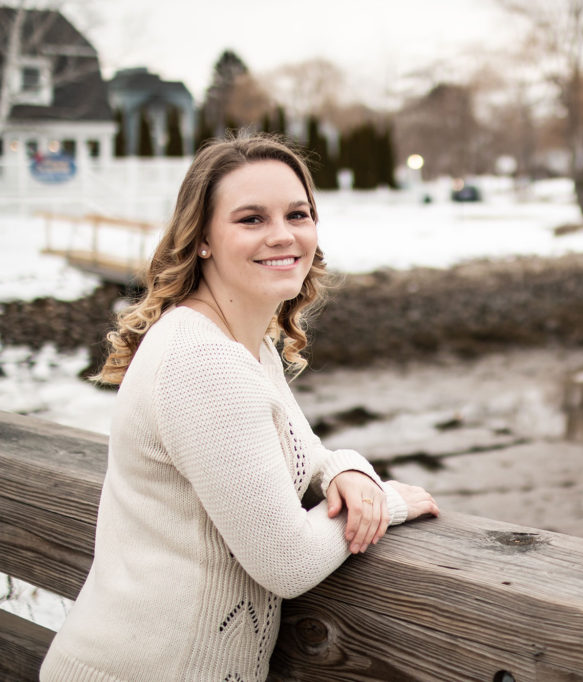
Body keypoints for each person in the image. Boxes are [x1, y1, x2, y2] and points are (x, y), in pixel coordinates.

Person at [40, 133, 439, 681]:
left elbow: (296, 447)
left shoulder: (237, 342)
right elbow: (287, 562)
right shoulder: (204, 364)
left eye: (297, 214)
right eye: (251, 219)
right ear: (202, 237)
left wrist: (346, 470)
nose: (282, 235)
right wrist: (389, 504)